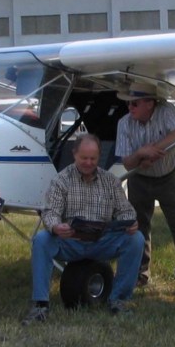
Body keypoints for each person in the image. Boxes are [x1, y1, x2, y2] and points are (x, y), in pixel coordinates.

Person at [22, 134, 145, 324]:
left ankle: (119, 299)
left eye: (93, 159)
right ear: (74, 155)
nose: (88, 163)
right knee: (41, 240)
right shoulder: (61, 180)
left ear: (99, 157)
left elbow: (125, 210)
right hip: (71, 240)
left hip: (102, 240)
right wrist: (56, 226)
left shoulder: (110, 181)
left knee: (136, 239)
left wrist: (130, 222)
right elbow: (50, 212)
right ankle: (40, 304)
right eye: (84, 158)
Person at [115, 82, 175, 287]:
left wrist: (154, 149)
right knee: (138, 226)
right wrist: (142, 153)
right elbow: (127, 162)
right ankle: (140, 275)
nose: (130, 108)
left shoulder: (167, 110)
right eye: (129, 104)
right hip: (139, 179)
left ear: (150, 103)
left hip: (168, 178)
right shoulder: (124, 123)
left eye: (134, 103)